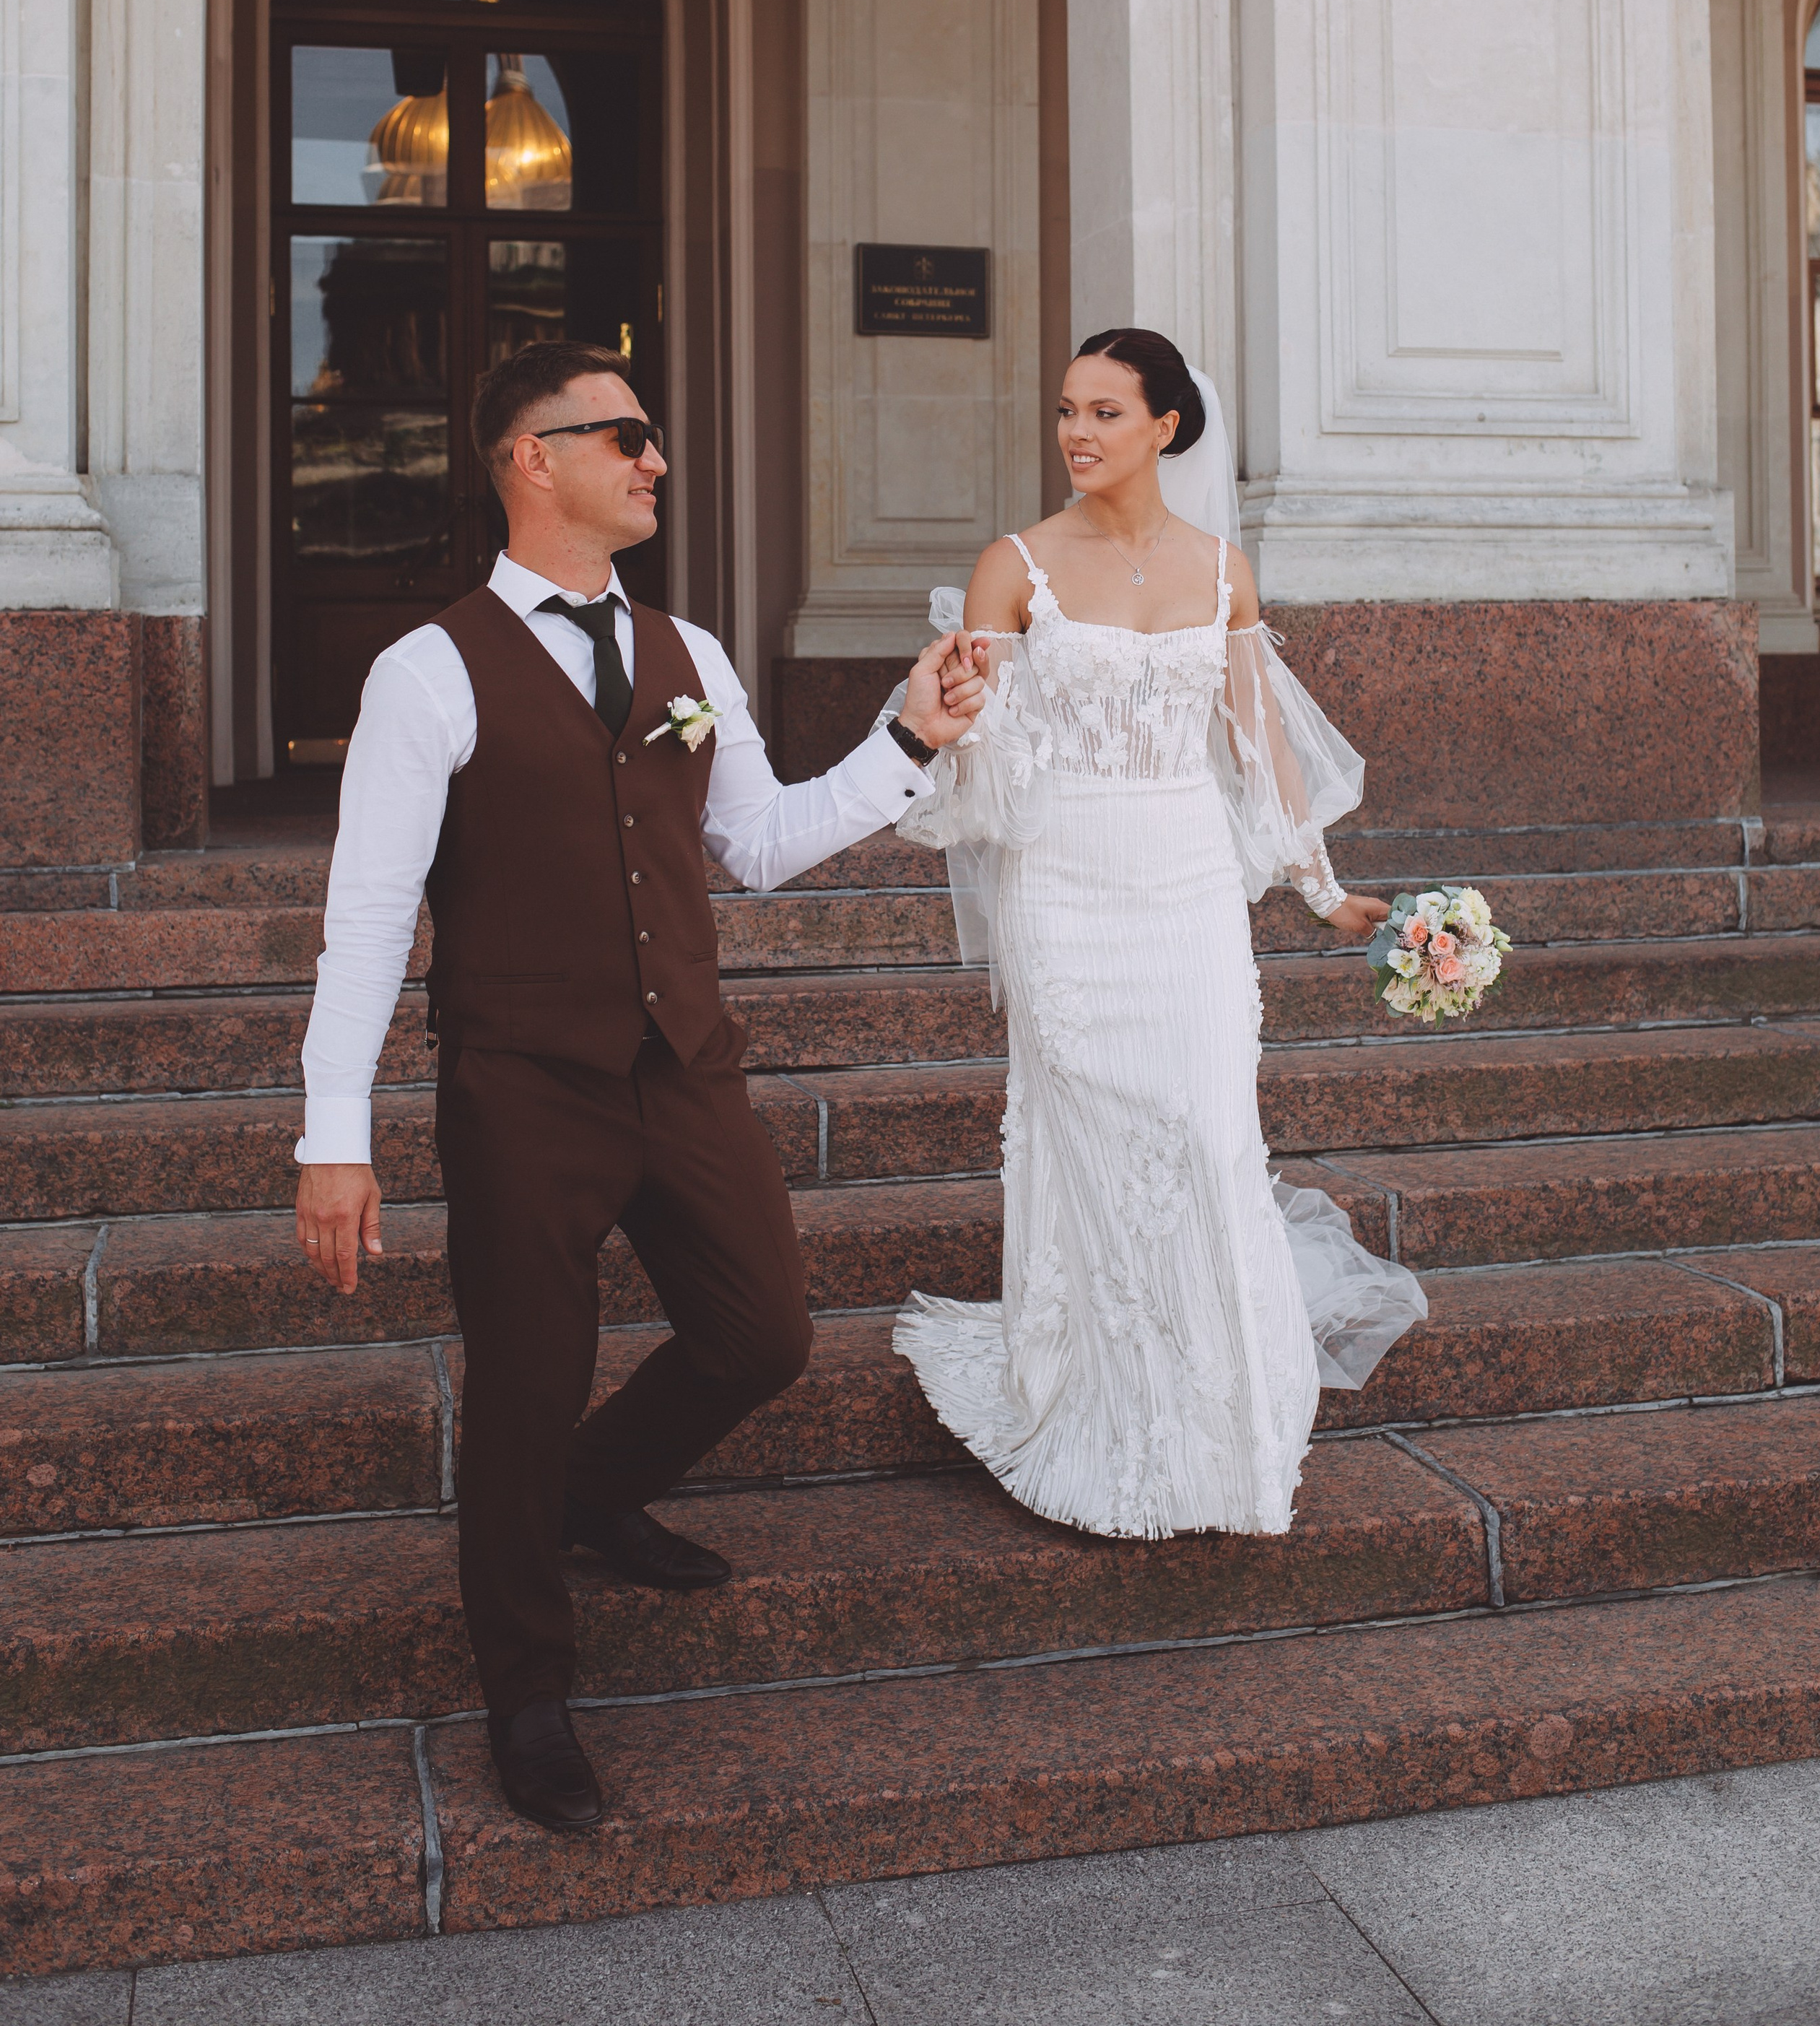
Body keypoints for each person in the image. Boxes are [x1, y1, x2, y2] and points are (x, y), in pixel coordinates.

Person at [293, 339, 983, 1833]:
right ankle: (527, 1694)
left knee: (762, 1336)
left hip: (682, 1065)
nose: (653, 459)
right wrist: (331, 1137)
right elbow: (367, 912)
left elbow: (757, 842)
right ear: (531, 462)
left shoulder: (689, 653)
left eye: (651, 437)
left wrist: (909, 735)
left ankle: (594, 1496)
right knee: (524, 1387)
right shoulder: (425, 673)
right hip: (521, 1085)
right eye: (623, 436)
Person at [889, 328, 1427, 1540]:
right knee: (1090, 1121)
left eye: (1106, 413)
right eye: (1068, 410)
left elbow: (1259, 747)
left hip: (1187, 882)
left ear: (1167, 428)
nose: (1077, 433)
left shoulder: (1224, 571)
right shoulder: (1011, 565)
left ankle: (1220, 1419)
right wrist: (965, 725)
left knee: (1202, 1127)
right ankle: (1098, 1398)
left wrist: (1319, 887)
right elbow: (991, 752)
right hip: (1065, 882)